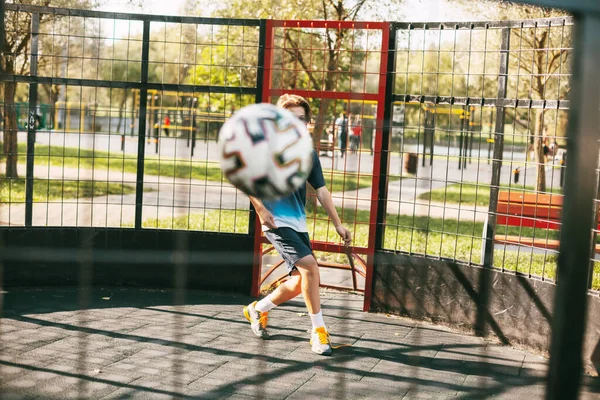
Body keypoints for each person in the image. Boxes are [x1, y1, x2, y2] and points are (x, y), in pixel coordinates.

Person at [243, 94, 353, 356]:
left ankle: (256, 310)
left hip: (298, 224)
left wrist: (338, 224)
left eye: (301, 119)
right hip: (276, 221)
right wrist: (260, 209)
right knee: (312, 269)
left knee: (298, 282)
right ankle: (319, 333)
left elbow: (322, 192)